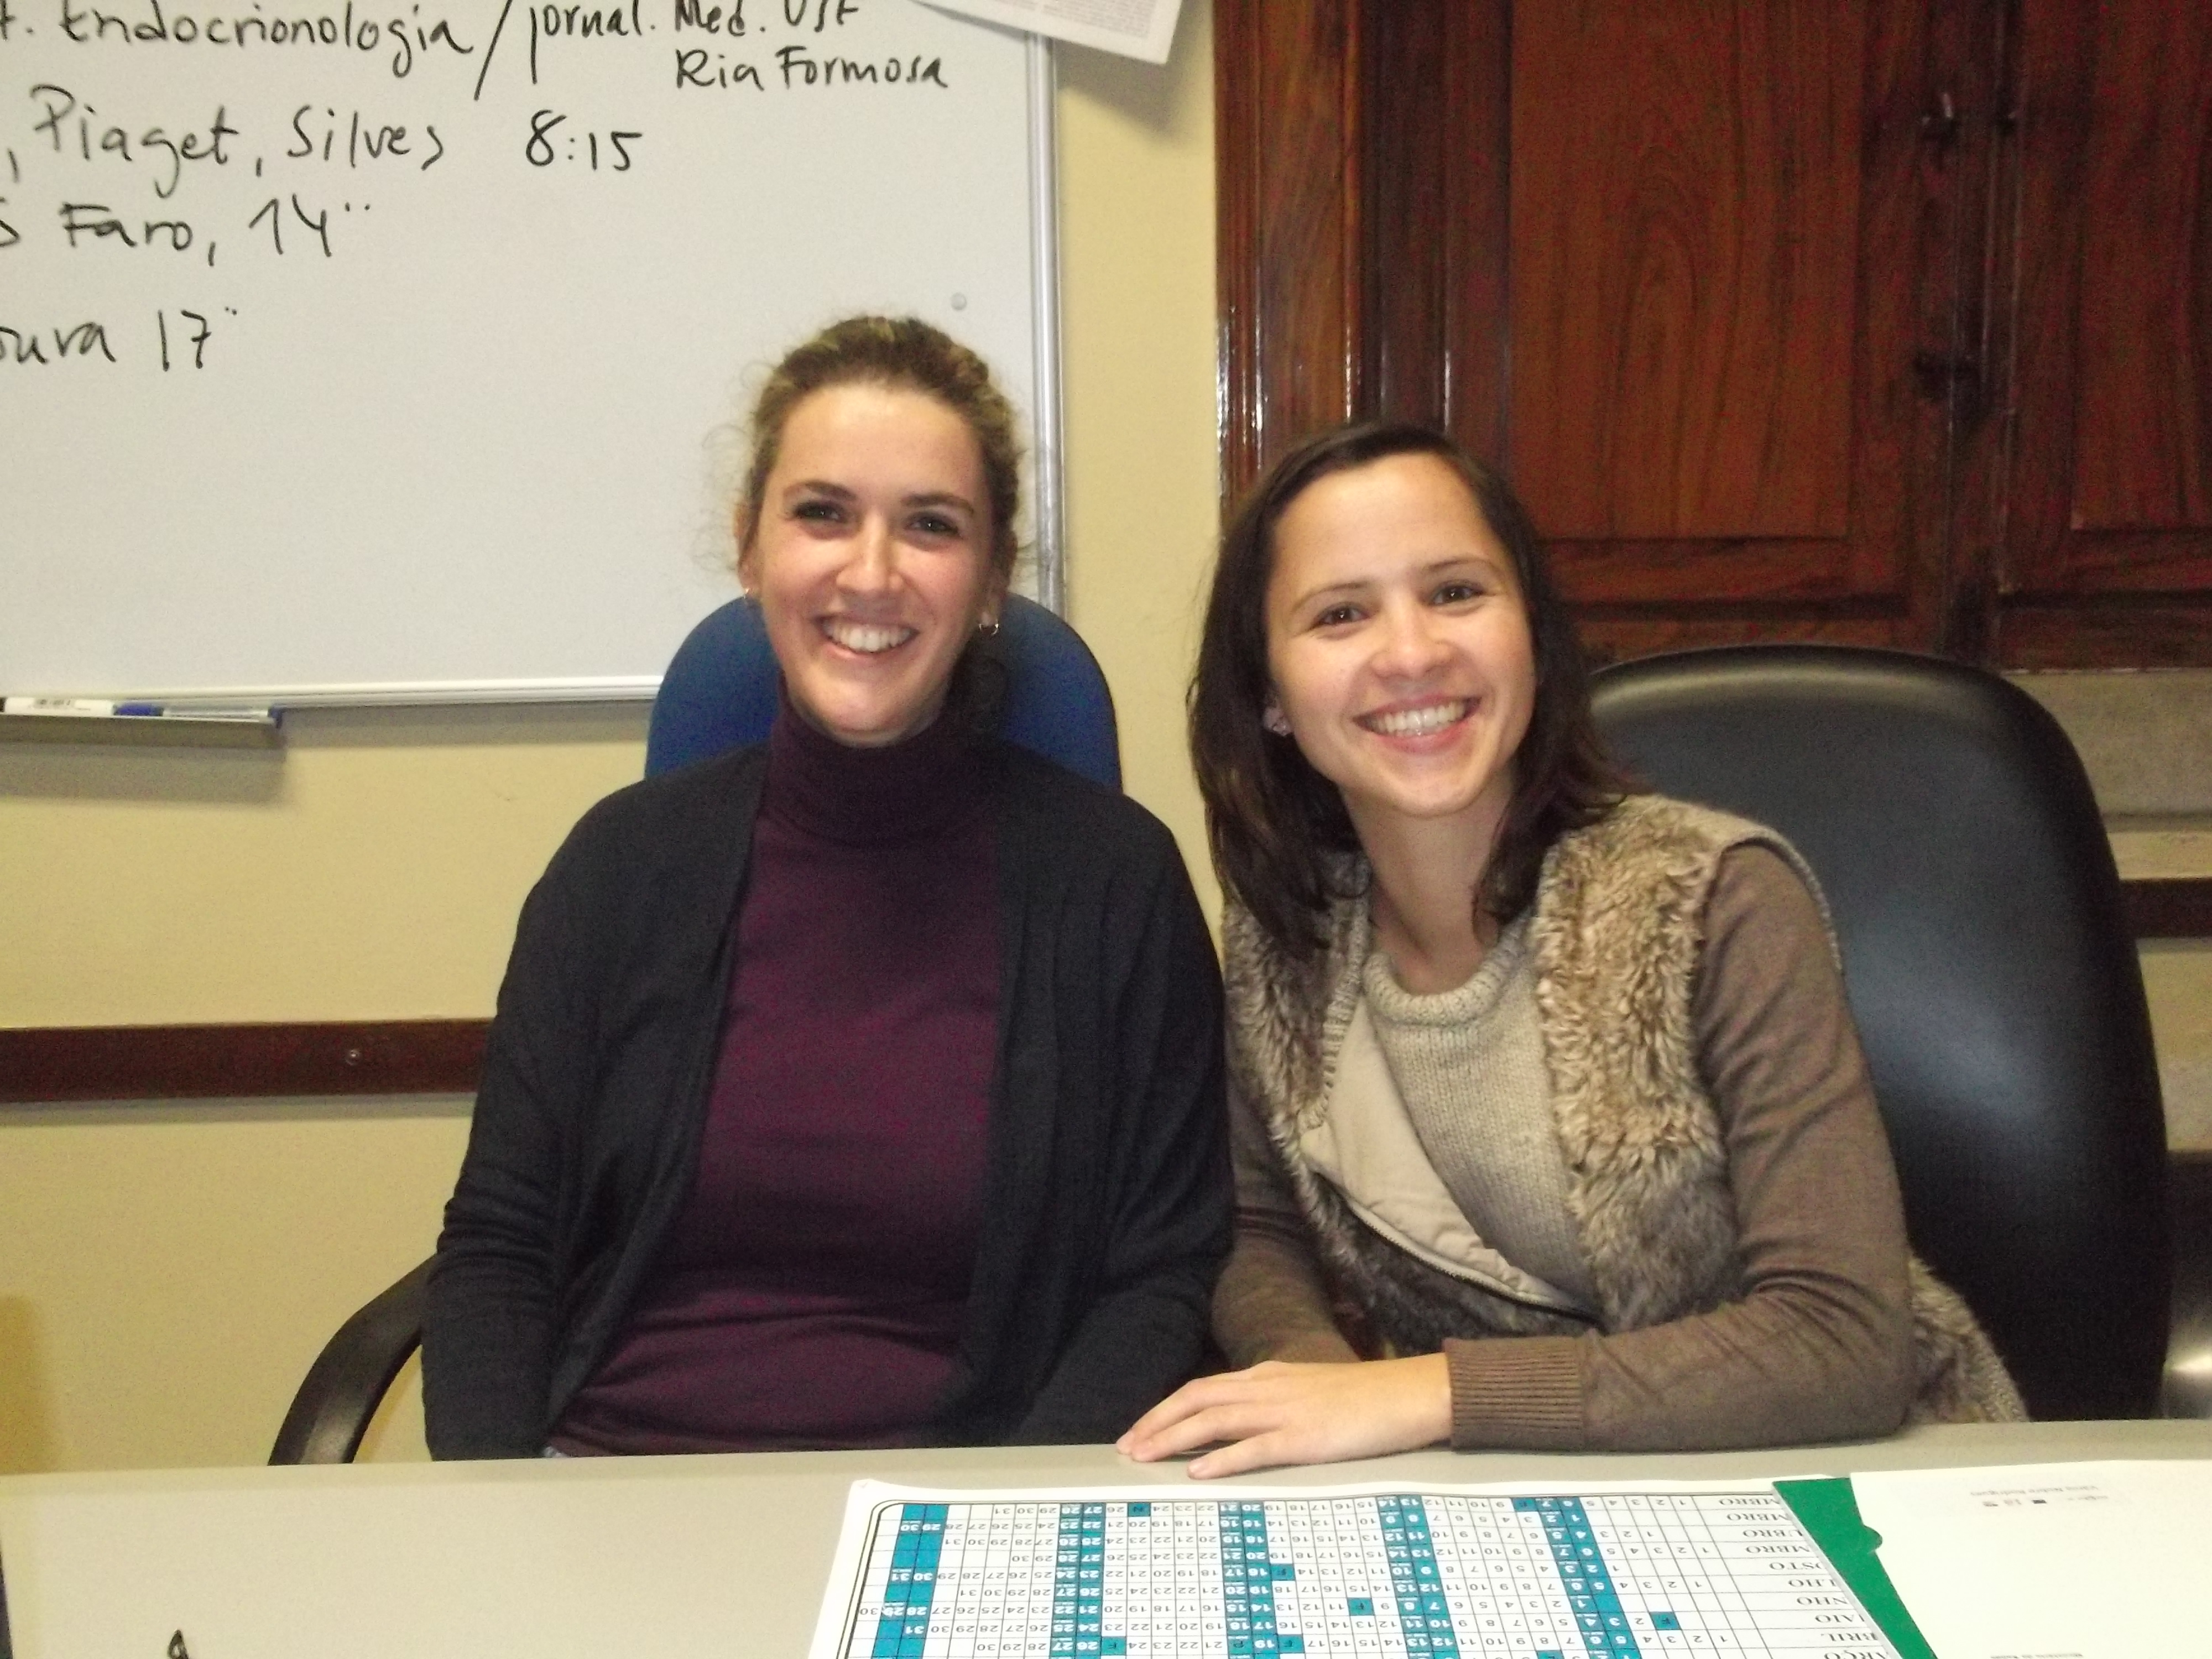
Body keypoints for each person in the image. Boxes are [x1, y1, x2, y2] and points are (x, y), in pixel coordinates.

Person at [1119, 420, 2022, 1478]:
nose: (1411, 652)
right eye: (1341, 613)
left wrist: (1417, 1393)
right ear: (1269, 695)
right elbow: (1260, 1229)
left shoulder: (1716, 898)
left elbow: (1843, 1340)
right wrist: (1317, 1391)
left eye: (1457, 592)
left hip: (1877, 1484)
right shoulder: (1290, 937)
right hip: (1536, 1491)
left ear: (1535, 638)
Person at [424, 316, 1230, 1458]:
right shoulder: (617, 866)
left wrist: (1016, 1530)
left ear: (991, 578)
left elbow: (1156, 1278)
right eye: (822, 513)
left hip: (953, 1522)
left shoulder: (1113, 885)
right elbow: (502, 1244)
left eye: (930, 526)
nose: (870, 571)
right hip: (609, 1495)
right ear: (750, 548)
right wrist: (493, 1525)